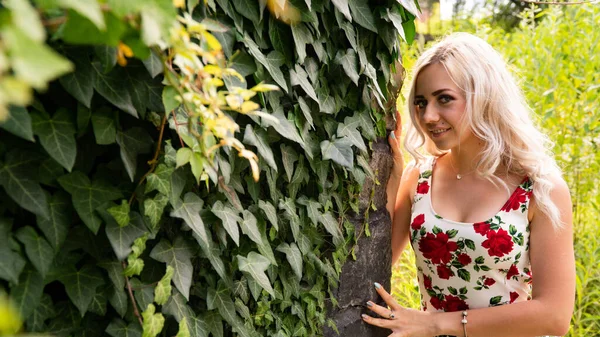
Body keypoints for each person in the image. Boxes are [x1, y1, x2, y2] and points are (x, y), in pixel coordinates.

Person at [362, 33, 575, 337]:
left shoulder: (539, 187)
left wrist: (435, 324)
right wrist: (393, 174)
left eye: (444, 99)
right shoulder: (419, 178)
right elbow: (378, 260)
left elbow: (554, 315)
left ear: (483, 96)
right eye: (421, 103)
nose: (428, 116)